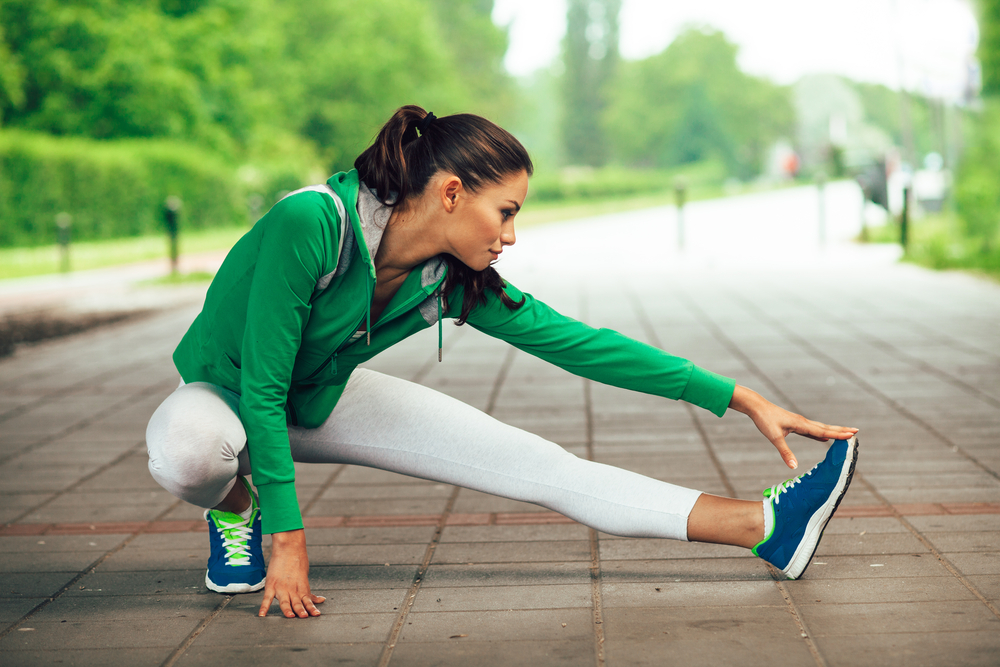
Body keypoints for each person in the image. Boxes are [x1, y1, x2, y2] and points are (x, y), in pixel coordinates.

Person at [145, 105, 859, 620]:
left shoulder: (449, 276)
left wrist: (737, 396)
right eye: (506, 211)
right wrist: (288, 538)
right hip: (226, 392)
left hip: (318, 398)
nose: (512, 234)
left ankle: (768, 527)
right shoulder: (313, 225)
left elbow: (583, 344)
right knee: (189, 453)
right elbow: (262, 388)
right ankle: (238, 508)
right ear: (452, 192)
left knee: (548, 466)